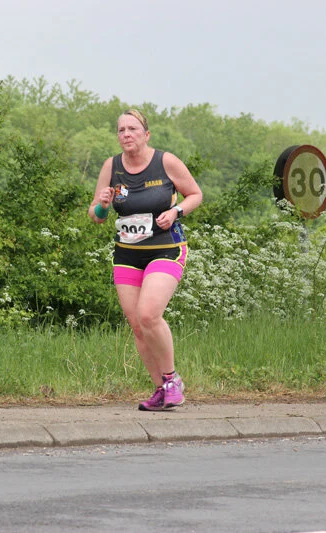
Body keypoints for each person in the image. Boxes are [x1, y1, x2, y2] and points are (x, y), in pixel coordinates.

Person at [89, 109, 203, 411]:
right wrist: (103, 206)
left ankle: (172, 380)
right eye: (121, 130)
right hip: (127, 254)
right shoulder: (112, 166)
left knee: (149, 314)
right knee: (138, 326)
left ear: (146, 134)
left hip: (166, 247)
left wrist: (176, 212)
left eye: (133, 129)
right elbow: (96, 216)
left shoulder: (165, 161)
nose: (126, 134)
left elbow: (195, 194)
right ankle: (161, 390)